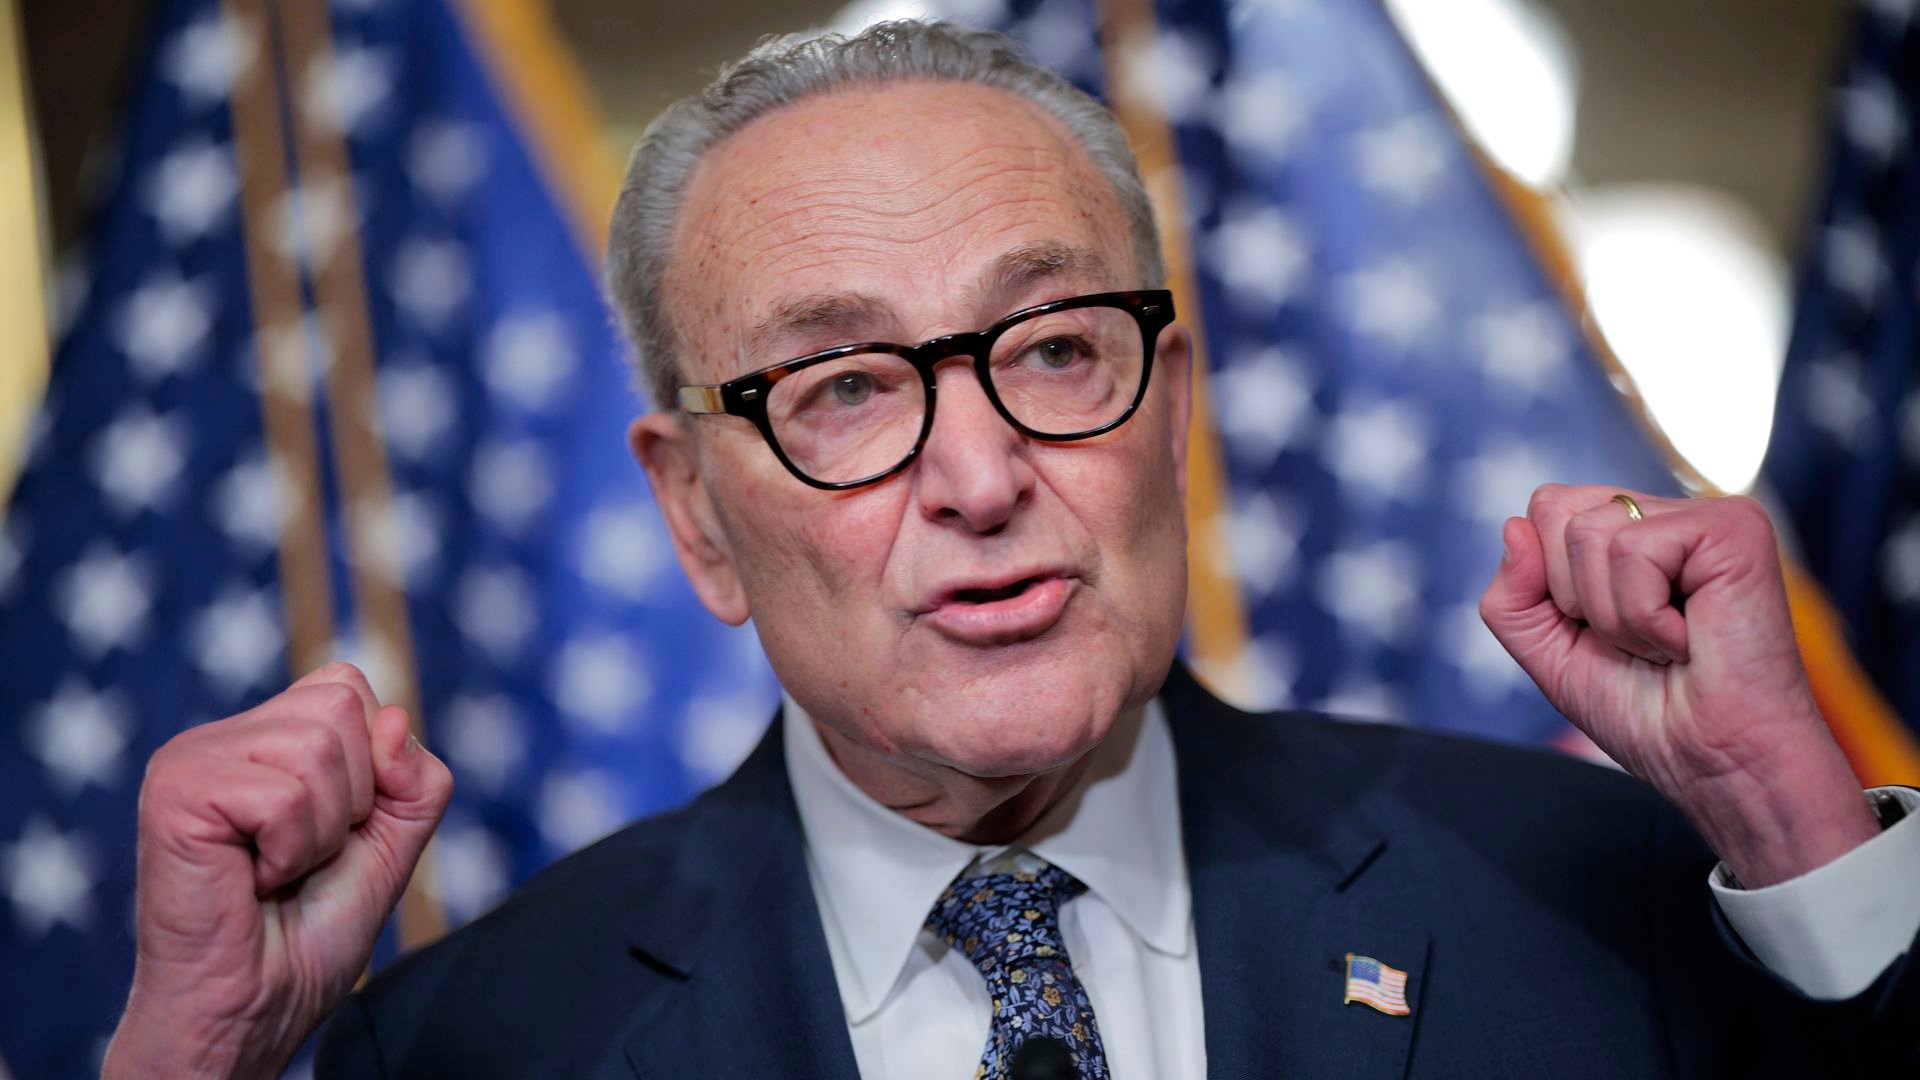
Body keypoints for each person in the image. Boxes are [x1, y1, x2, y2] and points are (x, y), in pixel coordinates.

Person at [103, 20, 1918, 1079]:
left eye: (1054, 350)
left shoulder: (1605, 898)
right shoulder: (476, 1041)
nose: (978, 474)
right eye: (840, 387)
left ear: (1171, 400)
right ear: (695, 515)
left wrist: (1809, 849)